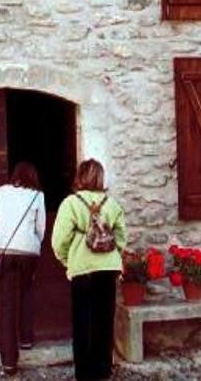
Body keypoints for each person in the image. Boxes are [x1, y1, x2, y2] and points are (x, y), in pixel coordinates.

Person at [51, 159, 127, 381]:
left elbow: (59, 240)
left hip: (82, 270)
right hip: (108, 269)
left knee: (82, 321)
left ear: (80, 177)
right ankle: (103, 371)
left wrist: (68, 260)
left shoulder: (70, 204)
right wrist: (113, 256)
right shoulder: (112, 205)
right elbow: (122, 238)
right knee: (104, 320)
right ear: (100, 178)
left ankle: (84, 374)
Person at [0, 162, 47, 376]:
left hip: (5, 252)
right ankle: (26, 339)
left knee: (7, 305)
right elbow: (41, 228)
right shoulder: (37, 196)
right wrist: (34, 245)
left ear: (14, 176)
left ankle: (9, 362)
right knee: (27, 292)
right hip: (28, 253)